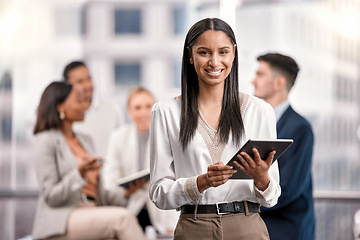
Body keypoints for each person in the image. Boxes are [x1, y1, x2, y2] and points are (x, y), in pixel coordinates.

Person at [149, 18, 281, 240]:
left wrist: (262, 178)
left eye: (223, 52)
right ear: (190, 56)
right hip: (194, 227)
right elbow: (159, 193)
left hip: (247, 227)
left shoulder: (260, 111)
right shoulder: (165, 112)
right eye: (204, 52)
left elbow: (272, 196)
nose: (214, 61)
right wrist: (200, 182)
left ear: (234, 53)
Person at [31, 81, 144, 240]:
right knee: (122, 220)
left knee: (117, 224)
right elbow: (51, 196)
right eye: (78, 100)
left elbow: (100, 194)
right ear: (60, 106)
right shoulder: (45, 141)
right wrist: (79, 172)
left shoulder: (85, 140)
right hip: (62, 217)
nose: (85, 105)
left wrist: (126, 192)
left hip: (91, 210)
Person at [253, 53, 315, 240]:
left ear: (279, 83)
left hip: (286, 230)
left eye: (260, 74)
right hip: (260, 227)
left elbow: (289, 189)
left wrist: (242, 207)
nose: (254, 80)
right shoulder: (255, 123)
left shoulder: (299, 128)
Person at [103, 86, 179, 235]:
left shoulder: (169, 136)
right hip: (130, 204)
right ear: (129, 111)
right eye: (137, 107)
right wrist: (126, 191)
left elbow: (176, 180)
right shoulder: (118, 137)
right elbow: (110, 179)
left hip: (160, 206)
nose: (143, 112)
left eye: (148, 106)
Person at [62, 61, 123, 157]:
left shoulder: (111, 108)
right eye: (80, 81)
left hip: (111, 171)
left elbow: (122, 144)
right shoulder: (66, 116)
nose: (87, 85)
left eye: (89, 79)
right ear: (67, 86)